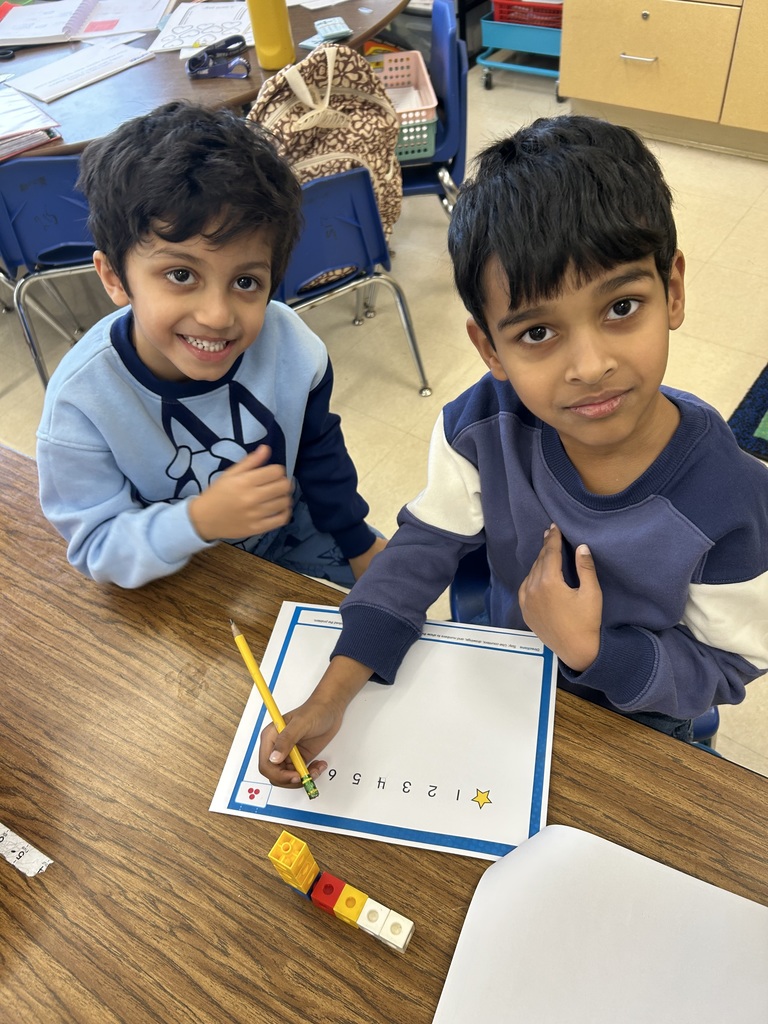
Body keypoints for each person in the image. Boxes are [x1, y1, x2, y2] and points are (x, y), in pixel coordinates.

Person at [258, 113, 768, 787]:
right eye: (536, 333)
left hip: (644, 723)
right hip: (505, 679)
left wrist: (592, 648)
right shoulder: (480, 428)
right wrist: (333, 692)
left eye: (621, 308)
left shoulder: (735, 501)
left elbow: (721, 672)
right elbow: (417, 555)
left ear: (672, 290)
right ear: (488, 348)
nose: (588, 365)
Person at [37, 101, 385, 589]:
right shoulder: (81, 405)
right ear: (114, 278)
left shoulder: (290, 346)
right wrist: (197, 521)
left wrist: (357, 541)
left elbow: (319, 453)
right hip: (176, 577)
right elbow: (98, 548)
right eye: (181, 275)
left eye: (246, 282)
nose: (218, 316)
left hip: (293, 536)